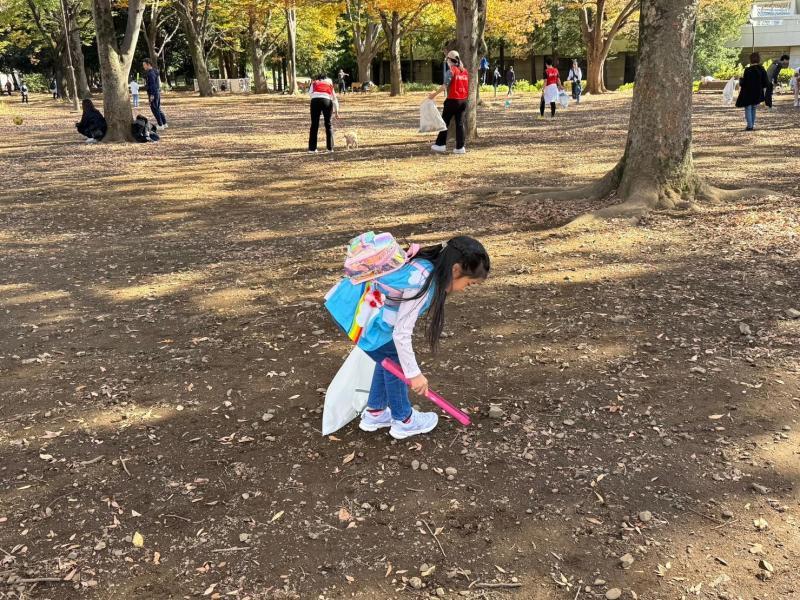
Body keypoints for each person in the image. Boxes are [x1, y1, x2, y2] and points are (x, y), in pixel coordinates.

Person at [328, 236, 490, 439]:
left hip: (352, 308)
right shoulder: (422, 282)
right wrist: (413, 373)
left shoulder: (424, 265)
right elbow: (402, 333)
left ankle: (375, 412)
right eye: (469, 284)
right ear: (456, 270)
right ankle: (404, 419)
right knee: (396, 362)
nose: (465, 289)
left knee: (386, 359)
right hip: (359, 317)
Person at [429, 50, 469, 155]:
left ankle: (440, 145)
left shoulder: (451, 71)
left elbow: (444, 86)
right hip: (463, 101)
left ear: (449, 60)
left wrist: (433, 95)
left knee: (444, 122)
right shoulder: (464, 71)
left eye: (446, 59)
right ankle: (460, 147)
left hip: (452, 100)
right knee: (460, 124)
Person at [736, 52, 769, 131]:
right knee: (754, 108)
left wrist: (740, 80)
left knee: (748, 108)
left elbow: (744, 83)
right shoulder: (762, 69)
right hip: (758, 92)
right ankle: (752, 125)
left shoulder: (748, 70)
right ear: (758, 59)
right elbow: (766, 83)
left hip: (748, 92)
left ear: (750, 60)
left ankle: (750, 126)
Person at [308, 73, 339, 153]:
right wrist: (336, 111)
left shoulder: (314, 83)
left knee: (314, 124)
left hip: (315, 101)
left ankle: (312, 149)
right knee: (328, 124)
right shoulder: (329, 83)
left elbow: (310, 94)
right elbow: (334, 98)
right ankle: (330, 148)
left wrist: (317, 98)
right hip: (327, 101)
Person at [143, 59, 168, 130]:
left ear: (148, 64)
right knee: (158, 108)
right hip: (156, 92)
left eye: (144, 65)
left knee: (154, 109)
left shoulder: (150, 73)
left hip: (153, 93)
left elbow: (153, 85)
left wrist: (152, 95)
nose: (143, 67)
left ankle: (160, 125)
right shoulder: (154, 71)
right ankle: (164, 123)